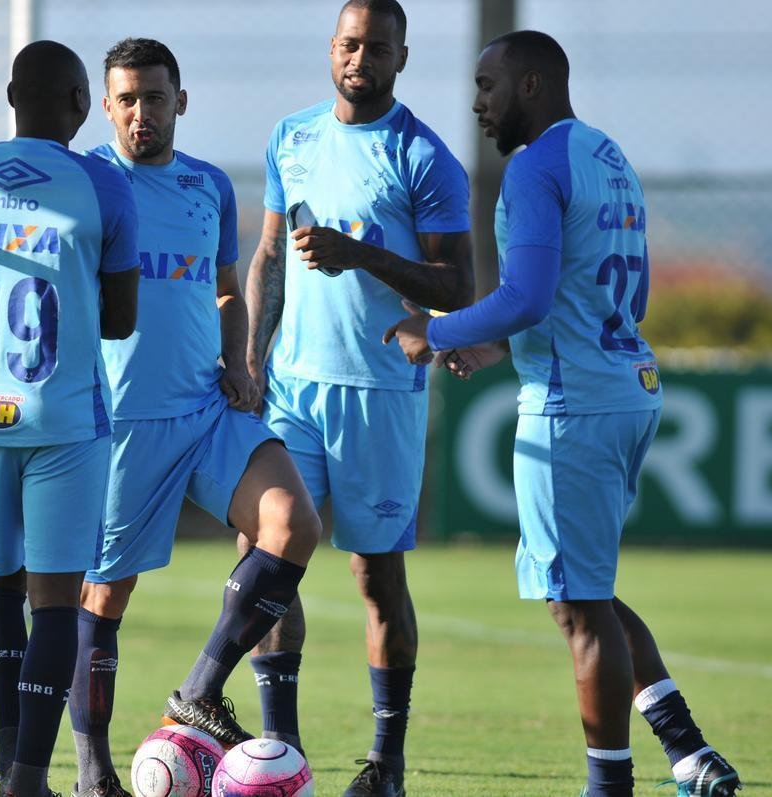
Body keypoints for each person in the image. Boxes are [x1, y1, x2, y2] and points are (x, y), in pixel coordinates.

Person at [385, 30, 741, 797]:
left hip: (572, 408)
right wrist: (505, 351)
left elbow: (529, 297)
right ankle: (688, 751)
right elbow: (621, 298)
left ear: (533, 86)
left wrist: (436, 332)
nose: (477, 104)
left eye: (488, 87)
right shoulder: (609, 159)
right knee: (589, 588)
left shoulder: (533, 169)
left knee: (578, 605)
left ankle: (608, 784)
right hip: (625, 387)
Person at [62, 38, 321, 797]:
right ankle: (91, 773)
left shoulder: (210, 185)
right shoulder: (86, 181)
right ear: (106, 107)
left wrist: (242, 359)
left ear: (182, 100)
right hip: (120, 424)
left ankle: (200, 691)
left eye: (156, 96)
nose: (143, 113)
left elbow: (227, 287)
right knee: (104, 599)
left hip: (207, 409)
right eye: (128, 99)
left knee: (293, 522)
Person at [243, 1, 474, 795]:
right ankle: (282, 754)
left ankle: (387, 762)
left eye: (376, 46)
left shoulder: (427, 159)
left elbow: (456, 284)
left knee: (376, 578)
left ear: (401, 56)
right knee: (268, 562)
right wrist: (251, 352)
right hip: (295, 389)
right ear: (330, 49)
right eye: (348, 44)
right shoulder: (292, 137)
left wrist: (363, 255)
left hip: (380, 394)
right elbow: (270, 251)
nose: (359, 58)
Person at [0, 40, 140, 797]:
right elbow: (120, 318)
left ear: (11, 97)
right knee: (56, 599)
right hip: (64, 417)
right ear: (82, 104)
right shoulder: (103, 188)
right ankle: (27, 779)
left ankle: (12, 764)